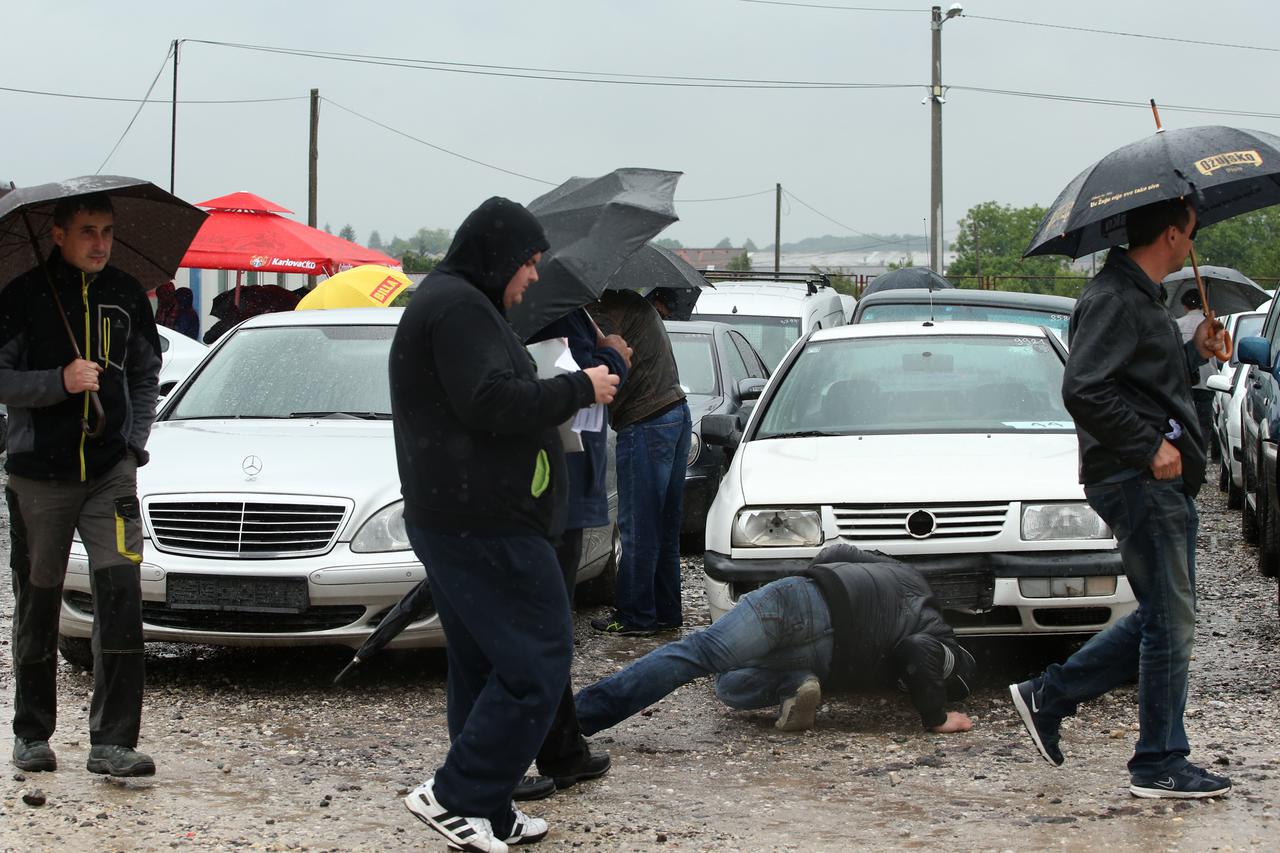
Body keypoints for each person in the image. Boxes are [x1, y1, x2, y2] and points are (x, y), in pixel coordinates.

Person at [390, 196, 619, 853]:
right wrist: (581, 387)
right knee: (538, 658)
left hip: (467, 516)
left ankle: (487, 801)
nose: (535, 276)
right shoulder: (458, 306)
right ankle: (456, 791)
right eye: (531, 262)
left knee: (483, 662)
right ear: (500, 256)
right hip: (481, 522)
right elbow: (490, 401)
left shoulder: (462, 303)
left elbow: (487, 393)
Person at [1008, 197, 1232, 800]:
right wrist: (1146, 447)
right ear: (1169, 235)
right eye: (1190, 232)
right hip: (1139, 480)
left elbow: (1143, 383)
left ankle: (1048, 696)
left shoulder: (1139, 297)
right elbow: (1083, 388)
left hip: (1155, 480)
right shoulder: (1113, 297)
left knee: (1166, 617)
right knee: (1171, 621)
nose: (1192, 243)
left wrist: (1195, 353)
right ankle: (1158, 761)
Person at [0, 193, 163, 777]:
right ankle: (32, 732)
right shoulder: (22, 296)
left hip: (110, 475)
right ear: (58, 233)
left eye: (108, 232)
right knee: (38, 602)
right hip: (37, 477)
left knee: (120, 595)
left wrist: (135, 442)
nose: (100, 243)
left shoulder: (125, 294)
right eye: (88, 231)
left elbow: (146, 376)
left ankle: (113, 741)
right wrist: (59, 381)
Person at [574, 543, 975, 736]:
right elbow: (917, 652)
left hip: (811, 628)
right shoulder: (936, 634)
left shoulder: (905, 574)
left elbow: (833, 552)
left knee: (727, 683)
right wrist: (936, 716)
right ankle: (576, 718)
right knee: (695, 655)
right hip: (804, 612)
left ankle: (795, 684)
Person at [515, 308, 632, 802]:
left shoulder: (569, 309)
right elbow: (579, 380)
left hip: (567, 486)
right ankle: (530, 756)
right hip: (553, 487)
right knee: (545, 629)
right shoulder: (546, 314)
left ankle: (563, 749)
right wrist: (615, 355)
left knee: (553, 628)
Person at [587, 289, 691, 636]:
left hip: (646, 421)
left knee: (638, 529)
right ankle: (665, 612)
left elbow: (608, 366)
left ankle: (635, 615)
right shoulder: (629, 299)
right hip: (674, 412)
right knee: (663, 528)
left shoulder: (603, 313)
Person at [1175, 289, 1218, 468]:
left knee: (1184, 424)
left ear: (1184, 305)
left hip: (1184, 382)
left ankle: (1187, 461)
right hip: (1207, 382)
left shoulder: (1177, 324)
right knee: (1203, 424)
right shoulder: (1212, 326)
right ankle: (1199, 463)